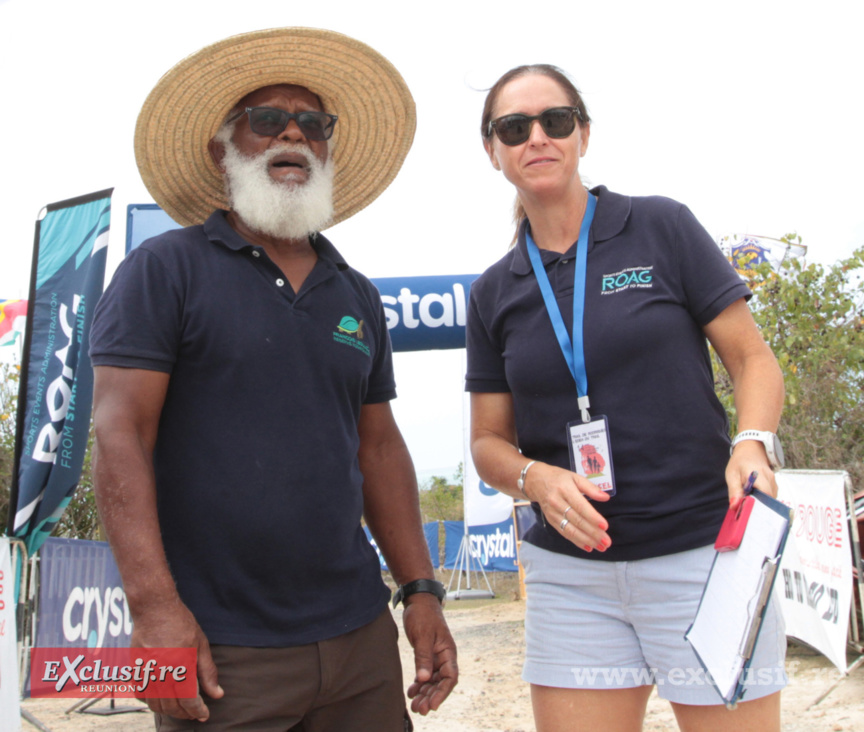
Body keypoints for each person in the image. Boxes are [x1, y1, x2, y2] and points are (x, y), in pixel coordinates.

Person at [90, 28, 457, 732]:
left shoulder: (356, 294)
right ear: (222, 149)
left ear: (326, 149)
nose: (294, 132)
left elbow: (378, 448)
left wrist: (421, 591)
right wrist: (154, 607)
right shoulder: (165, 270)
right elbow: (119, 434)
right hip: (221, 652)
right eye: (267, 120)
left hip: (359, 641)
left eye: (313, 123)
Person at [466, 63, 787, 732]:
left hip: (705, 553)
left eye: (555, 121)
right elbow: (487, 442)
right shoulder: (495, 291)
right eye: (513, 127)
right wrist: (535, 477)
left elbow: (752, 359)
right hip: (572, 578)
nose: (537, 138)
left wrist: (752, 442)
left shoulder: (661, 227)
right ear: (492, 151)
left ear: (582, 133)